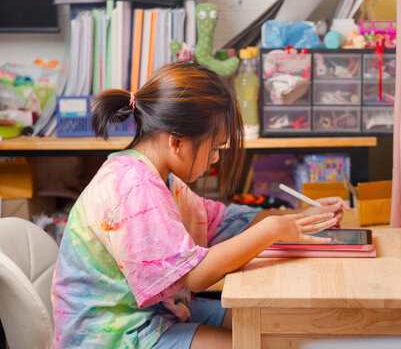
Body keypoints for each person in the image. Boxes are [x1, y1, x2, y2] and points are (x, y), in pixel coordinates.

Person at [51, 61, 350, 349]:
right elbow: (193, 276)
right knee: (258, 341)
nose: (217, 158)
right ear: (176, 142)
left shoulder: (159, 178)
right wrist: (274, 229)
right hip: (113, 335)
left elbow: (225, 222)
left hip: (157, 314)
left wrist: (301, 215)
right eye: (215, 147)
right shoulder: (134, 187)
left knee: (273, 325)